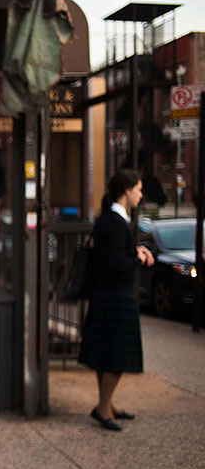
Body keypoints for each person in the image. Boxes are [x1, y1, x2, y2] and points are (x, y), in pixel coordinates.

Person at [79, 168, 154, 431]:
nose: (141, 195)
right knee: (117, 356)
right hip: (115, 295)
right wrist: (139, 258)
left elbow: (113, 254)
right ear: (127, 190)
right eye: (139, 189)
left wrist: (134, 250)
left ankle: (106, 403)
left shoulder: (111, 220)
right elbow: (114, 262)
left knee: (106, 354)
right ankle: (103, 408)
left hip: (107, 295)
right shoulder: (114, 221)